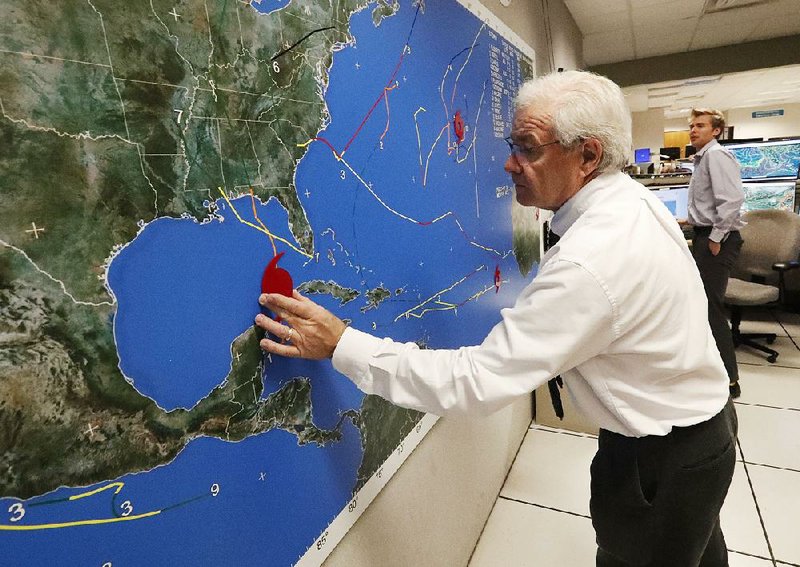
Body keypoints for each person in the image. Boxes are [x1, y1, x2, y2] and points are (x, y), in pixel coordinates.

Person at [255, 71, 737, 566]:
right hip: (701, 437)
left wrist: (342, 344)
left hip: (663, 460)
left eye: (528, 148)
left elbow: (476, 383)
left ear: (588, 156)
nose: (510, 163)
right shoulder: (631, 201)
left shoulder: (591, 259)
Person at [686, 109, 745, 399]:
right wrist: (690, 222)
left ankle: (729, 380)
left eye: (700, 126)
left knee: (710, 308)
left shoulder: (715, 156)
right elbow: (709, 203)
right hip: (706, 234)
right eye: (692, 126)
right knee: (702, 304)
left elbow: (731, 200)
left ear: (716, 131)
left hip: (716, 239)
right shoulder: (703, 158)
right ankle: (712, 371)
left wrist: (716, 237)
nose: (693, 130)